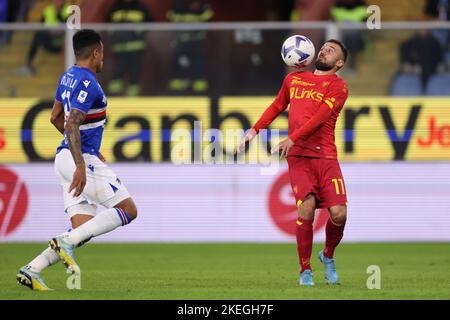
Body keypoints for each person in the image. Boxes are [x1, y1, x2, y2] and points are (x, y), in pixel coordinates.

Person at [16, 29, 138, 291]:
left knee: (80, 231)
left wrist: (80, 153)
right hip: (78, 161)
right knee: (129, 210)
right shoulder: (88, 83)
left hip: (63, 158)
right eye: (102, 52)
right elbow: (71, 124)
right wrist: (81, 163)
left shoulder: (67, 76)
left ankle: (33, 268)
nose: (103, 58)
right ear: (95, 52)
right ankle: (64, 245)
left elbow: (54, 117)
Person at [237, 39, 349, 286]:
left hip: (326, 156)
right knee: (306, 208)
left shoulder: (339, 87)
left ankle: (328, 255)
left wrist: (292, 137)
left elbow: (320, 117)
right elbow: (277, 105)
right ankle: (305, 270)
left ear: (339, 63)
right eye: (324, 47)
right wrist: (254, 131)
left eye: (331, 50)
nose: (324, 50)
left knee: (339, 214)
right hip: (299, 157)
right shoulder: (294, 79)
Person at [106, 0, 153, 96]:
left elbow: (152, 25)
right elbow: (106, 26)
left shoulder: (141, 7)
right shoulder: (115, 7)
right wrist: (113, 36)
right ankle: (111, 100)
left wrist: (140, 33)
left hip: (136, 49)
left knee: (134, 78)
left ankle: (133, 102)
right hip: (119, 50)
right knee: (116, 77)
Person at [167, 0, 213, 95]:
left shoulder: (203, 5)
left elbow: (209, 18)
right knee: (178, 69)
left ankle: (199, 93)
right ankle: (175, 93)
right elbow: (170, 17)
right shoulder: (177, 4)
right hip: (180, 43)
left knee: (198, 69)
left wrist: (199, 8)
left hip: (197, 44)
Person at [17, 0, 69, 76]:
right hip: (50, 39)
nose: (56, 2)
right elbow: (41, 26)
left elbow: (70, 27)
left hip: (63, 41)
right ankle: (28, 64)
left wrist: (58, 14)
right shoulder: (48, 10)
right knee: (38, 35)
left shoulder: (69, 10)